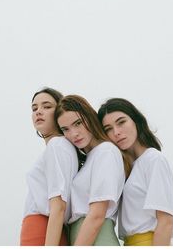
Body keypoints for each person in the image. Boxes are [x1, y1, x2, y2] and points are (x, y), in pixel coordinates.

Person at [98, 98, 173, 246]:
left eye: (121, 122)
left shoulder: (153, 159)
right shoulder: (127, 168)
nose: (116, 132)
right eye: (108, 129)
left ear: (136, 121)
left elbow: (166, 222)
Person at [54, 95, 125, 246]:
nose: (74, 134)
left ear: (90, 117)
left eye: (78, 123)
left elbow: (97, 215)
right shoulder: (90, 159)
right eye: (65, 129)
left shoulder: (106, 151)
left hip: (97, 238)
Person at [20, 87, 79, 246]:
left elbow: (59, 205)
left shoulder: (57, 145)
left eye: (47, 107)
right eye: (34, 108)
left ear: (60, 112)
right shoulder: (62, 147)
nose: (39, 111)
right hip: (47, 229)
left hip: (41, 230)